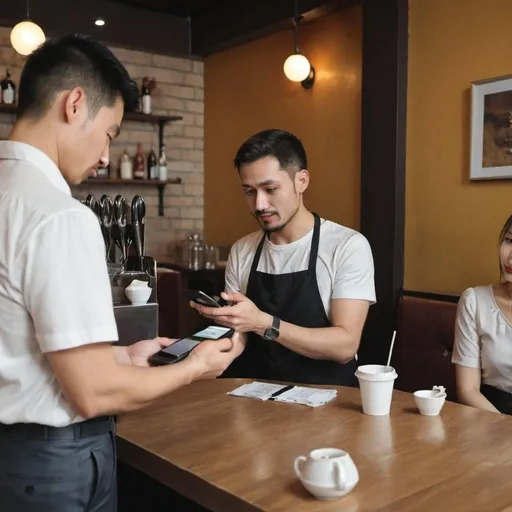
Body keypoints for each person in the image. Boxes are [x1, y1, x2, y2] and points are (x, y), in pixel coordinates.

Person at [0, 34, 242, 512]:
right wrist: (194, 368)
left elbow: (25, 346)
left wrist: (127, 356)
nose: (107, 155)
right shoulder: (60, 216)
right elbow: (92, 393)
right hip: (52, 467)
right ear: (74, 104)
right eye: (110, 132)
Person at [191, 129, 376, 386]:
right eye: (249, 191)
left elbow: (345, 345)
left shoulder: (347, 246)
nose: (259, 205)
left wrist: (264, 323)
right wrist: (201, 358)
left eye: (270, 189)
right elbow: (240, 333)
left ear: (302, 181)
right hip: (254, 398)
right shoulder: (243, 250)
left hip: (330, 404)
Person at [452, 215, 512, 415]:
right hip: (490, 415)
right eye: (509, 241)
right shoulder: (475, 301)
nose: (510, 256)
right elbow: (467, 390)